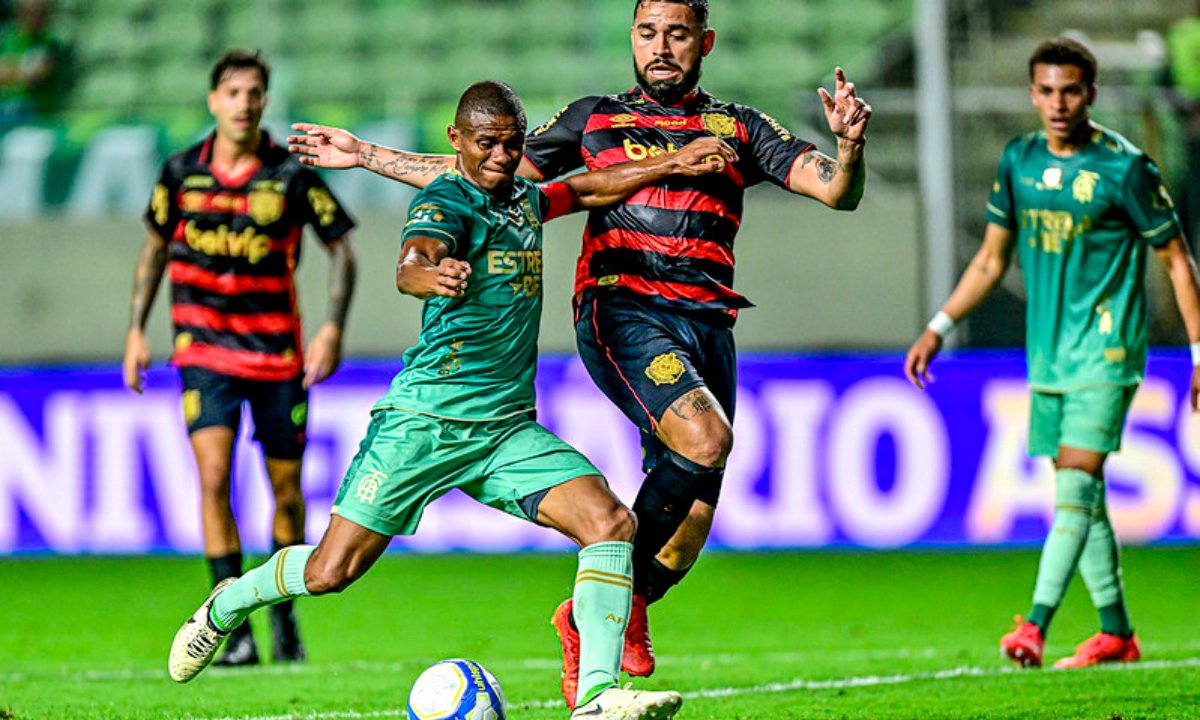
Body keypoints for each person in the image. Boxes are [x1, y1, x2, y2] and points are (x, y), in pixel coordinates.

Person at [285, 0, 870, 704]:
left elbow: (835, 191)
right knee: (707, 438)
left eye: (677, 33)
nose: (661, 46)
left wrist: (849, 150)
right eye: (648, 32)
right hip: (623, 308)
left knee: (687, 532)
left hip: (709, 325)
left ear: (705, 41)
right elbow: (487, 174)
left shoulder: (738, 126)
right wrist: (366, 156)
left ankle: (601, 609)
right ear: (633, 38)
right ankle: (606, 637)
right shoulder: (593, 120)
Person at [168, 80, 733, 720]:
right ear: (456, 141)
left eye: (512, 144)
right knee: (330, 571)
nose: (501, 156)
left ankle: (597, 695)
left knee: (610, 523)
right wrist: (427, 274)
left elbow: (581, 189)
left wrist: (672, 161)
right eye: (486, 143)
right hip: (424, 423)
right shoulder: (445, 200)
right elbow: (414, 259)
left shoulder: (523, 199)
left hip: (505, 431)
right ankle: (227, 604)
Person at [905, 37, 1200, 670]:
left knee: (1073, 485)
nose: (1058, 104)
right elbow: (991, 260)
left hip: (1108, 351)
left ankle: (1035, 625)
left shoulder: (1125, 169)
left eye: (1070, 91)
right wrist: (939, 325)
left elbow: (1177, 259)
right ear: (1033, 94)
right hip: (1049, 355)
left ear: (1090, 93)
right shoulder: (1019, 159)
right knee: (1081, 493)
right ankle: (1116, 633)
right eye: (1047, 91)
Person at [124, 50, 357, 668]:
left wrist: (331, 330)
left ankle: (282, 617)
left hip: (277, 356)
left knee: (286, 495)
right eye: (233, 92)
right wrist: (135, 331)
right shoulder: (180, 172)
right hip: (203, 350)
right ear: (213, 101)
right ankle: (232, 630)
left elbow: (342, 249)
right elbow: (154, 249)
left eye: (254, 93)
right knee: (212, 481)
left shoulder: (290, 174)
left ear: (265, 101)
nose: (244, 103)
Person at [0, 0, 67, 124]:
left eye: (42, 14)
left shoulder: (50, 43)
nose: (37, 18)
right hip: (4, 107)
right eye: (31, 13)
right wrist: (21, 69)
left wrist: (9, 67)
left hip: (32, 111)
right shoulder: (6, 38)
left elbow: (35, 75)